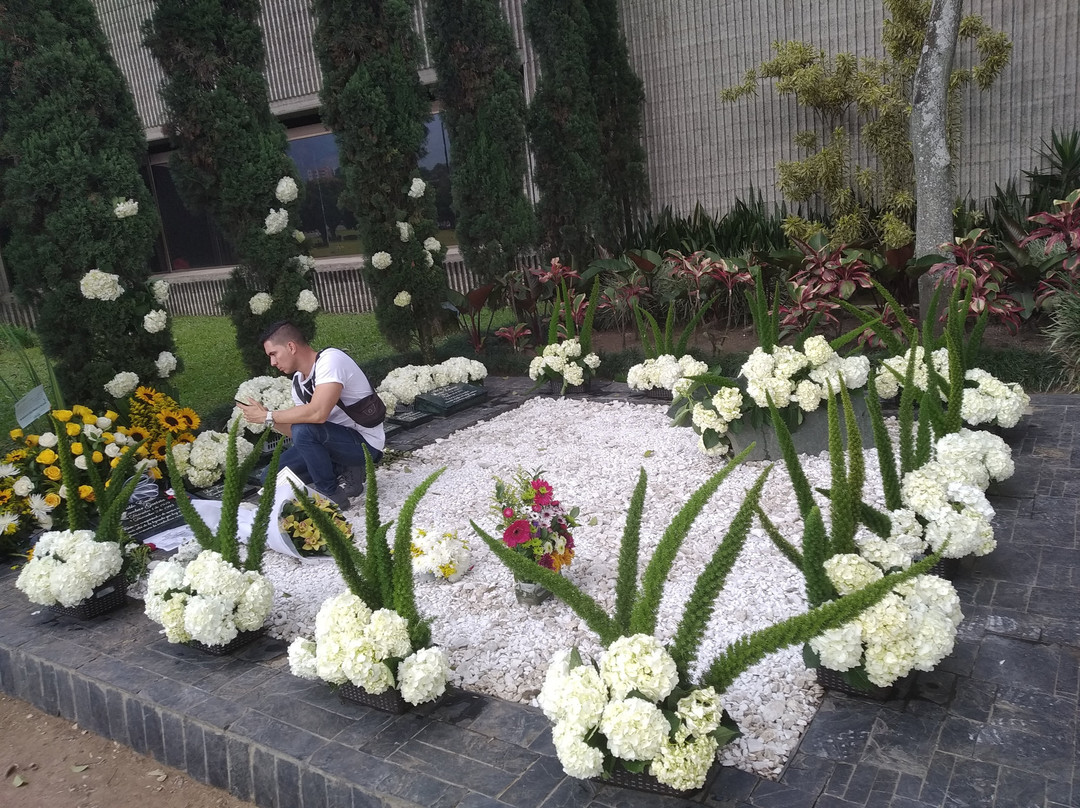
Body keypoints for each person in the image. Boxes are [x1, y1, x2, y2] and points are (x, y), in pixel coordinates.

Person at [237, 321, 383, 507]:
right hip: (333, 444)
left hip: (365, 445)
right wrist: (267, 418)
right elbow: (298, 434)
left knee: (305, 429)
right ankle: (344, 469)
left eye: (273, 354)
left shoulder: (331, 360)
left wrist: (269, 416)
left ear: (291, 346)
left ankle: (331, 493)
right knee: (270, 477)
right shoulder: (298, 382)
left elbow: (318, 413)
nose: (272, 363)